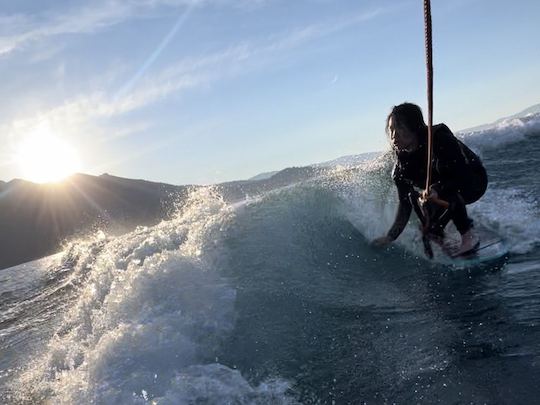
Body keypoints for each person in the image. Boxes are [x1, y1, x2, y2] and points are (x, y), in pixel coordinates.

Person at [372, 102, 488, 257]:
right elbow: (405, 204)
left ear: (413, 126)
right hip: (442, 192)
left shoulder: (439, 139)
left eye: (399, 128)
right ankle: (439, 233)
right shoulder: (401, 168)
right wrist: (391, 236)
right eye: (391, 130)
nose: (393, 136)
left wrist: (437, 189)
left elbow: (462, 175)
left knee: (441, 192)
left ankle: (469, 237)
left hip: (473, 182)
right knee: (421, 206)